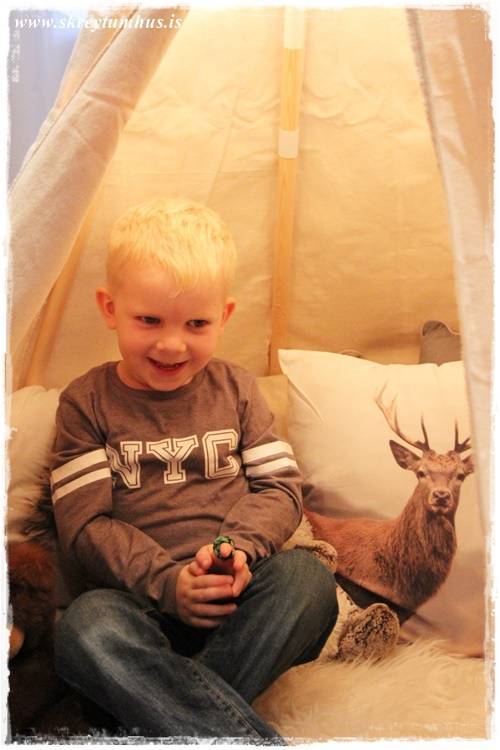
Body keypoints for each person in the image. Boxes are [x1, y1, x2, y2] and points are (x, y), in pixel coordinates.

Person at [51, 197, 338, 742]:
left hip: (239, 599)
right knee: (85, 627)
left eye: (197, 323)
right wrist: (168, 583)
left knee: (308, 580)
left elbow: (281, 489)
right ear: (110, 308)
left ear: (223, 317)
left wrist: (237, 551)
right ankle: (212, 721)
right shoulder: (85, 402)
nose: (171, 343)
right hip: (138, 607)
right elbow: (84, 526)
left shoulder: (237, 389)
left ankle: (154, 706)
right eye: (149, 320)